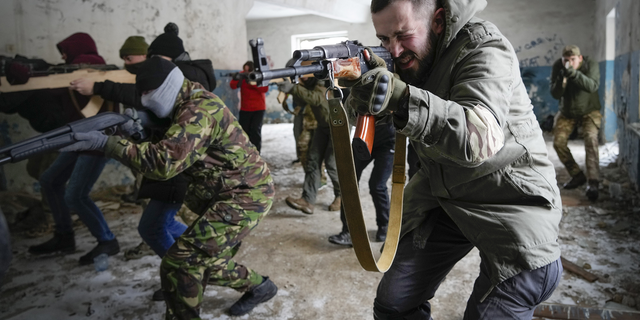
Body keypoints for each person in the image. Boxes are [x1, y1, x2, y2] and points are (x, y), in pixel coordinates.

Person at [340, 0, 564, 318]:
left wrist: (400, 97)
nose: (395, 49)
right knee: (393, 303)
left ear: (438, 21)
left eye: (403, 35)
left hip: (512, 201)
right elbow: (374, 117)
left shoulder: (483, 46)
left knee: (493, 307)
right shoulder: (411, 60)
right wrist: (364, 92)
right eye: (384, 39)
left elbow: (479, 138)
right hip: (445, 196)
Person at [59, 56, 277, 318]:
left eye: (149, 93)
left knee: (180, 264)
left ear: (167, 87)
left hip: (246, 195)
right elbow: (169, 138)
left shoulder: (198, 110)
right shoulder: (182, 101)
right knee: (204, 263)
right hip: (226, 192)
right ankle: (261, 287)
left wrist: (108, 144)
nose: (145, 98)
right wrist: (139, 132)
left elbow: (164, 164)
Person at [28, 33, 120, 266]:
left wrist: (31, 75)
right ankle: (64, 235)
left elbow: (54, 88)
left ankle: (106, 240)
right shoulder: (73, 71)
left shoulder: (93, 70)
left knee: (76, 195)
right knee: (50, 181)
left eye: (65, 51)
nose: (63, 56)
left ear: (77, 50)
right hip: (78, 139)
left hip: (96, 143)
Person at [328, 92, 395, 246]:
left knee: (377, 185)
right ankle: (349, 231)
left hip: (388, 140)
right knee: (349, 182)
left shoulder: (392, 76)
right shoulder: (357, 84)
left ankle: (384, 225)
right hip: (363, 136)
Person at [278, 77, 341, 214]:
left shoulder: (322, 81)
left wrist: (293, 88)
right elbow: (303, 100)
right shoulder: (309, 85)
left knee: (331, 164)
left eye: (303, 74)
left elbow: (316, 98)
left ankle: (342, 196)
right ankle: (308, 200)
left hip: (336, 128)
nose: (301, 77)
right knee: (312, 161)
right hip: (323, 127)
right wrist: (288, 88)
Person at [550, 45, 602, 201]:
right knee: (558, 143)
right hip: (567, 111)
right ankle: (577, 175)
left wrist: (573, 74)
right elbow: (555, 93)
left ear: (580, 58)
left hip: (589, 111)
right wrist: (562, 79)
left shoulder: (590, 64)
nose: (569, 63)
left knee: (591, 140)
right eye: (566, 60)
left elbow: (592, 86)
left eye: (572, 60)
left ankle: (593, 182)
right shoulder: (558, 66)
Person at [229, 61, 268, 152]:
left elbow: (264, 88)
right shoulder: (242, 75)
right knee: (243, 132)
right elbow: (233, 86)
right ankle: (245, 152)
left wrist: (252, 81)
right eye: (245, 70)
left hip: (258, 109)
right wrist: (236, 79)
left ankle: (256, 153)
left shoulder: (258, 75)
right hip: (245, 109)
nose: (246, 72)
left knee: (255, 132)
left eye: (249, 70)